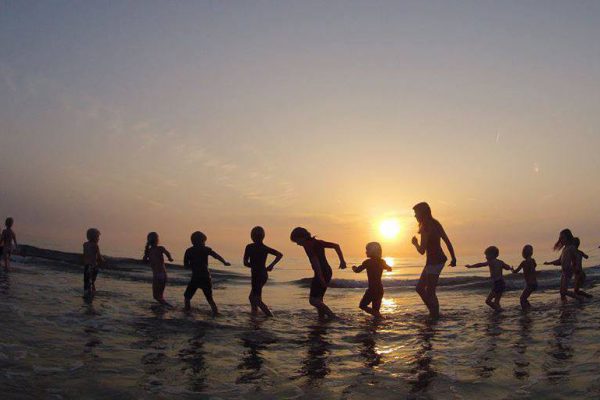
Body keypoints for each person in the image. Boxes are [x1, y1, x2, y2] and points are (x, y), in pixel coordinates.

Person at [411, 202, 456, 319]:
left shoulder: (425, 227)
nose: (415, 216)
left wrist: (415, 244)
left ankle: (435, 314)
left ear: (422, 213)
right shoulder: (435, 223)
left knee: (429, 291)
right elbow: (447, 241)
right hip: (437, 260)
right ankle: (433, 312)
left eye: (416, 213)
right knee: (420, 288)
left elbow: (422, 250)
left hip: (434, 262)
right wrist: (453, 257)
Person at [290, 227, 347, 320]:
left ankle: (332, 316)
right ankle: (321, 318)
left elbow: (315, 261)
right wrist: (342, 261)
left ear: (302, 237)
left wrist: (320, 277)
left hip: (321, 272)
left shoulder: (307, 245)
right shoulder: (317, 242)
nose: (297, 243)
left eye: (297, 240)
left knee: (313, 300)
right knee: (319, 299)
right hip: (328, 271)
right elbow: (336, 246)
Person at [183, 231, 230, 315]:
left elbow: (185, 265)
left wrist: (193, 265)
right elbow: (216, 256)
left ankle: (187, 311)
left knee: (187, 297)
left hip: (196, 277)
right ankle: (216, 313)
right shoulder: (206, 249)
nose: (204, 243)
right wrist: (224, 262)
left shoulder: (189, 251)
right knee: (209, 299)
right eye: (204, 241)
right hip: (205, 277)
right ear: (200, 241)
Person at [243, 226, 283, 317]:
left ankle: (270, 316)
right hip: (262, 274)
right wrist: (271, 265)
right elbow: (279, 255)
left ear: (251, 236)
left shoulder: (249, 247)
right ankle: (255, 314)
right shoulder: (264, 248)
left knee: (256, 299)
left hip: (257, 274)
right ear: (263, 236)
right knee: (253, 297)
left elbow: (245, 262)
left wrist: (253, 265)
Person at [352, 242, 392, 318]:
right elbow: (389, 268)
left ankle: (380, 317)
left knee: (362, 305)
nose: (366, 252)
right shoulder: (381, 261)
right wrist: (387, 268)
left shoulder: (367, 262)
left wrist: (354, 268)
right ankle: (377, 320)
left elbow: (357, 270)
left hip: (372, 289)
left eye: (367, 250)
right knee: (375, 310)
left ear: (373, 251)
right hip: (380, 289)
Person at [466, 246, 512, 311]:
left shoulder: (491, 261)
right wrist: (510, 268)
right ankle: (498, 312)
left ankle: (500, 310)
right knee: (496, 302)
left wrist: (471, 266)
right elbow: (507, 267)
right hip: (501, 283)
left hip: (498, 284)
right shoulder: (500, 262)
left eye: (487, 255)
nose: (486, 257)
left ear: (492, 254)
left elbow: (481, 264)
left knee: (488, 301)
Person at [544, 229, 582, 302]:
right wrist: (549, 263)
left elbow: (578, 256)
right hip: (564, 272)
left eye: (562, 238)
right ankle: (564, 304)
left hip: (568, 271)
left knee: (564, 291)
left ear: (568, 238)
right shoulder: (564, 249)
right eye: (560, 238)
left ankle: (580, 299)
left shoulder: (571, 247)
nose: (561, 240)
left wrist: (577, 266)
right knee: (562, 292)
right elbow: (559, 261)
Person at [142, 232, 174, 306]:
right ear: (157, 240)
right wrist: (170, 258)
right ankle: (165, 307)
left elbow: (144, 261)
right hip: (162, 274)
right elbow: (167, 253)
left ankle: (168, 307)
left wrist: (169, 258)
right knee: (159, 296)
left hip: (158, 275)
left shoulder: (150, 251)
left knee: (156, 296)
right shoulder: (159, 249)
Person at [511, 244, 537, 310]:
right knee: (524, 298)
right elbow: (534, 268)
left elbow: (515, 272)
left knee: (522, 299)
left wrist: (511, 269)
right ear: (531, 253)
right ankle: (529, 308)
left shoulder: (524, 262)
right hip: (534, 283)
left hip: (529, 284)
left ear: (523, 253)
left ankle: (525, 310)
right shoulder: (533, 261)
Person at [82, 228, 104, 299]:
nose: (98, 239)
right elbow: (99, 257)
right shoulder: (95, 246)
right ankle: (92, 293)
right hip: (94, 267)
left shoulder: (85, 244)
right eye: (98, 237)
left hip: (87, 266)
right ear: (94, 237)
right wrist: (104, 261)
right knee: (92, 281)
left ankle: (87, 292)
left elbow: (85, 255)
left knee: (86, 281)